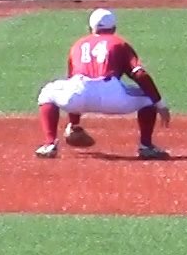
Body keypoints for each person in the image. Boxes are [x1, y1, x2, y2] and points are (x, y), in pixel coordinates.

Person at [35, 9, 171, 160]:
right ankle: (146, 146)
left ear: (91, 28)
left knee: (47, 92)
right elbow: (140, 74)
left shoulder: (78, 44)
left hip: (78, 93)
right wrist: (160, 104)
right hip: (113, 97)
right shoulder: (119, 43)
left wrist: (74, 123)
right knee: (148, 98)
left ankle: (49, 144)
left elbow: (72, 82)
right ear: (114, 28)